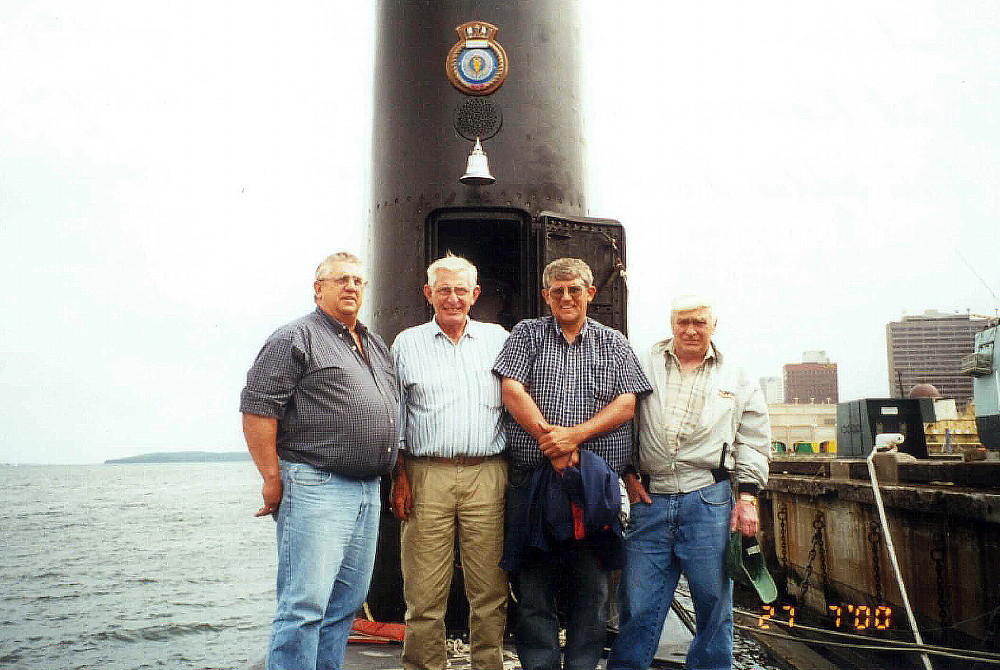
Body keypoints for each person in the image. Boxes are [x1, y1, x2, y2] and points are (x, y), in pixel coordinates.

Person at [240, 252, 399, 670]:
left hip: (367, 490)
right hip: (315, 485)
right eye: (340, 279)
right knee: (304, 606)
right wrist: (271, 478)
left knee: (344, 607)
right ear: (318, 289)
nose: (351, 287)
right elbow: (258, 409)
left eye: (358, 281)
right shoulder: (294, 337)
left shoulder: (374, 344)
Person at [493, 257, 653, 670]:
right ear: (546, 296)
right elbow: (513, 391)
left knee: (592, 594)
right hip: (533, 485)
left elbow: (626, 403)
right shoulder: (526, 335)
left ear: (590, 294)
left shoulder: (613, 342)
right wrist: (552, 440)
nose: (566, 297)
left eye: (575, 290)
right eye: (557, 290)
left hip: (592, 490)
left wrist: (573, 437)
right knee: (534, 593)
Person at [607, 295, 771, 670]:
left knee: (714, 605)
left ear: (714, 326)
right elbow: (619, 419)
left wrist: (747, 497)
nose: (691, 329)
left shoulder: (737, 374)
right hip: (651, 500)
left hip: (709, 500)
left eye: (699, 322)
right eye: (683, 322)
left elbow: (754, 439)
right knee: (638, 603)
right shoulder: (642, 362)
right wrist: (628, 475)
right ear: (671, 325)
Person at [389, 254, 510, 670]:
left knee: (489, 588)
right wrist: (400, 476)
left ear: (475, 295)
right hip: (426, 475)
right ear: (428, 293)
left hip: (487, 473)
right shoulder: (407, 343)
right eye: (444, 289)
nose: (453, 298)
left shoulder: (499, 339)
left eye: (461, 290)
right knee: (423, 592)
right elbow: (397, 414)